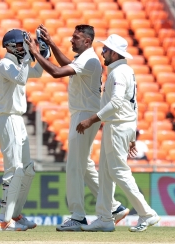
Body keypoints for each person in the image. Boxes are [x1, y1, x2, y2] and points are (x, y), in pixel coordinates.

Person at [24, 25, 129, 231]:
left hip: (84, 115)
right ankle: (114, 207)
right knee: (85, 165)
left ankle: (78, 216)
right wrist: (52, 43)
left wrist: (36, 52)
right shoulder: (86, 57)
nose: (72, 40)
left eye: (76, 38)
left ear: (87, 41)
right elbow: (66, 64)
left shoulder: (89, 59)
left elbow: (56, 72)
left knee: (74, 166)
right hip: (84, 112)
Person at [75, 34, 160, 232]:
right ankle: (105, 218)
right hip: (122, 126)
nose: (102, 52)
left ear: (114, 53)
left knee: (118, 172)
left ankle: (147, 214)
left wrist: (91, 120)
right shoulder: (125, 71)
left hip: (117, 126)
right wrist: (132, 137)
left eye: (105, 50)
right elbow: (134, 105)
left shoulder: (118, 73)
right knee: (105, 173)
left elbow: (116, 103)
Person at [0, 29, 45, 231]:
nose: (24, 48)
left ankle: (15, 215)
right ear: (11, 46)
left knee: (28, 170)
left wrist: (41, 54)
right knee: (14, 170)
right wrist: (29, 57)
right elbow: (22, 78)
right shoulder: (6, 64)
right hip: (7, 118)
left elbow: (38, 73)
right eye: (22, 45)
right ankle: (3, 221)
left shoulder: (15, 64)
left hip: (16, 119)